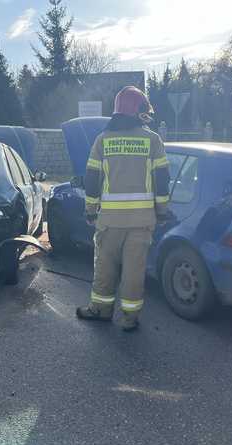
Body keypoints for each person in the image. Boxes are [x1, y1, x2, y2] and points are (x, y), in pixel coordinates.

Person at [76, 86, 171, 332]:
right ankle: (129, 317)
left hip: (109, 220)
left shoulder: (103, 140)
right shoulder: (152, 140)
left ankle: (100, 309)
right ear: (136, 110)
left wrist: (90, 210)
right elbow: (162, 180)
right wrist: (161, 211)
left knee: (104, 266)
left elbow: (92, 178)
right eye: (143, 109)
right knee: (134, 271)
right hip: (142, 222)